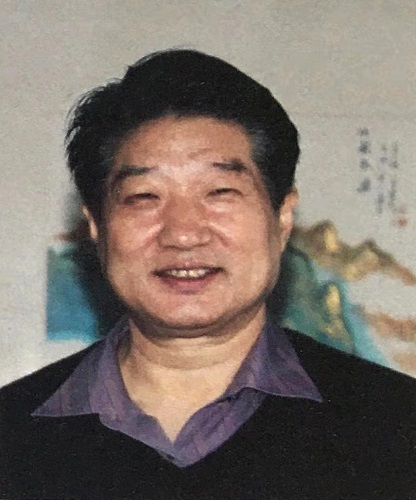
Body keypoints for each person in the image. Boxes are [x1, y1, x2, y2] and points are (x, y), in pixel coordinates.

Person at [1, 49, 415, 500]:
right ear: (97, 227)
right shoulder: (11, 436)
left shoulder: (397, 426)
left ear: (282, 217)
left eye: (220, 192)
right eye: (144, 196)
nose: (183, 234)